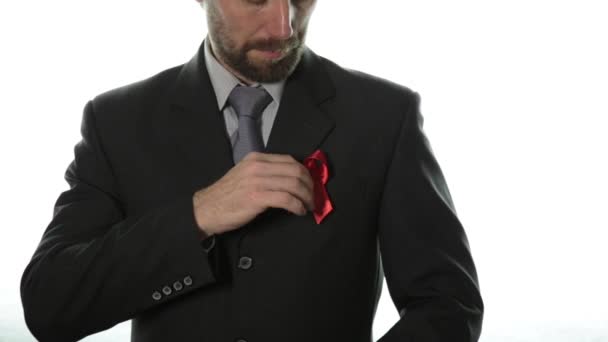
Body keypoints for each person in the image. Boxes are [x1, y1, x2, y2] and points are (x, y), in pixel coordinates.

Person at [20, 0, 484, 341]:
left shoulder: (384, 114)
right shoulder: (117, 120)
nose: (284, 25)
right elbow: (50, 306)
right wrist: (198, 215)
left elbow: (447, 305)